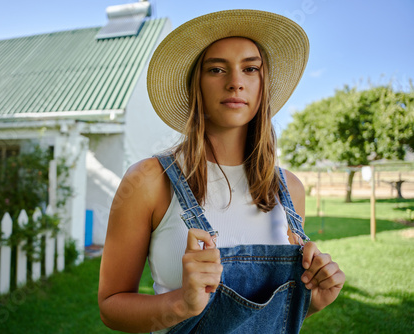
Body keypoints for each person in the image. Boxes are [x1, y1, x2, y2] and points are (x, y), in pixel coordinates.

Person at [98, 9, 345, 334]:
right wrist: (180, 304)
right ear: (195, 84)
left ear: (263, 84)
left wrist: (313, 300)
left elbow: (265, 320)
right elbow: (112, 306)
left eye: (250, 69)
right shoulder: (149, 180)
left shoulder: (290, 190)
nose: (235, 83)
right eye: (216, 69)